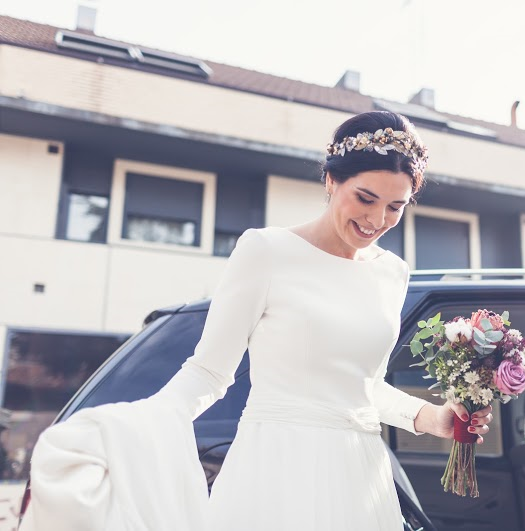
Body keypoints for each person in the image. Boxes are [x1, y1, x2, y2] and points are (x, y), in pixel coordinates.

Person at [22, 111, 493, 530]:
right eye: (365, 198)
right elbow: (210, 371)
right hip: (275, 468)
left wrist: (431, 418)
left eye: (396, 206)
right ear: (331, 181)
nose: (377, 218)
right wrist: (139, 422)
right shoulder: (266, 251)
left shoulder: (393, 273)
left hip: (360, 473)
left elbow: (363, 385)